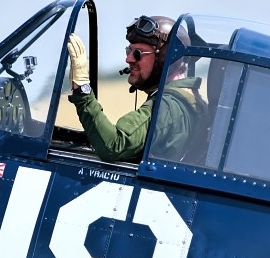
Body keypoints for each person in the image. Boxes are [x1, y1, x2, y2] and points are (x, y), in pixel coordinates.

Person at [67, 15, 210, 163]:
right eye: (129, 51)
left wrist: (82, 90)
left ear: (166, 58)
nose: (129, 59)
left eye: (138, 53)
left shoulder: (167, 107)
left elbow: (114, 145)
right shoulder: (193, 102)